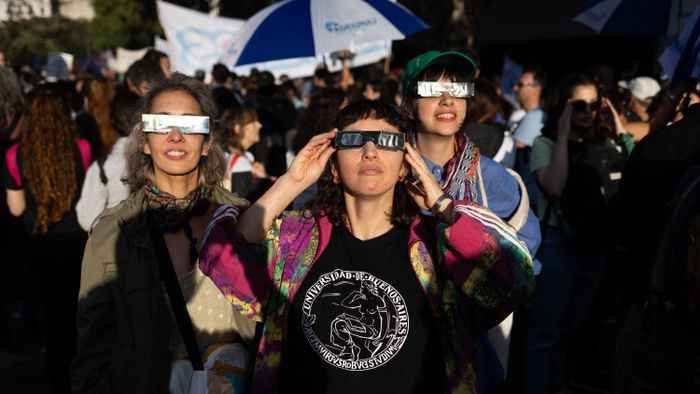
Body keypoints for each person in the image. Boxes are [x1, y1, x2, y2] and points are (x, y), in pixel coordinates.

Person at [199, 99, 534, 393]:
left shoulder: (435, 246)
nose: (370, 152)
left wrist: (441, 203)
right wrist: (292, 182)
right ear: (333, 161)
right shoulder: (294, 242)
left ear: (406, 162)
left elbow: (514, 276)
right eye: (354, 140)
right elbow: (221, 258)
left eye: (387, 142)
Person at [71, 73, 256, 393]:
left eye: (190, 124)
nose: (175, 135)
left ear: (207, 141)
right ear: (143, 140)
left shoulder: (241, 220)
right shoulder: (111, 234)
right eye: (160, 124)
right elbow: (92, 356)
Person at [401, 51, 541, 390]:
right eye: (433, 89)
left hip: (472, 351)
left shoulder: (493, 178)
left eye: (458, 88)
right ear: (408, 102)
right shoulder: (385, 170)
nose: (447, 99)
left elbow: (524, 264)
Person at [525, 74, 626, 394]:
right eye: (579, 105)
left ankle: (557, 384)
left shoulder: (604, 145)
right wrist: (565, 134)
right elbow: (553, 186)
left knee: (570, 329)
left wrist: (618, 126)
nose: (588, 111)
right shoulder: (546, 143)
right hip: (559, 247)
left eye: (594, 105)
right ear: (564, 107)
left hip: (594, 248)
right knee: (545, 332)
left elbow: (636, 163)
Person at [2, 83, 93, 394]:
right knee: (80, 319)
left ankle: (59, 381)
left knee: (54, 324)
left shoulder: (15, 155)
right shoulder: (83, 148)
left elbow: (16, 210)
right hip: (80, 245)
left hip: (39, 246)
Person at [75, 90, 139, 231]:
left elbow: (88, 220)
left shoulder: (103, 167)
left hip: (114, 241)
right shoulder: (158, 159)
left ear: (112, 121)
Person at [217, 105, 273, 200]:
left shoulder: (244, 156)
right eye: (253, 122)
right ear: (238, 128)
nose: (259, 125)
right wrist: (265, 179)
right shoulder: (239, 162)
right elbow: (246, 201)